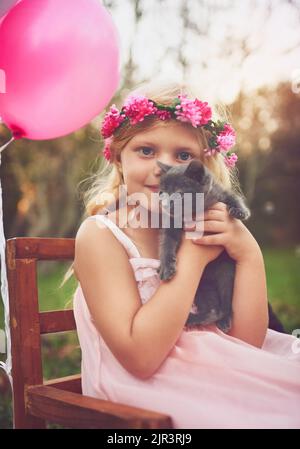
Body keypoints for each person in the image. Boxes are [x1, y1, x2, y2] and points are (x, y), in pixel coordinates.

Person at [71, 82, 300, 429]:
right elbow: (141, 359)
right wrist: (192, 256)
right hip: (148, 392)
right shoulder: (100, 236)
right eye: (146, 150)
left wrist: (250, 255)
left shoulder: (204, 224)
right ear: (118, 157)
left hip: (222, 373)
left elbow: (247, 343)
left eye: (182, 156)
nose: (165, 169)